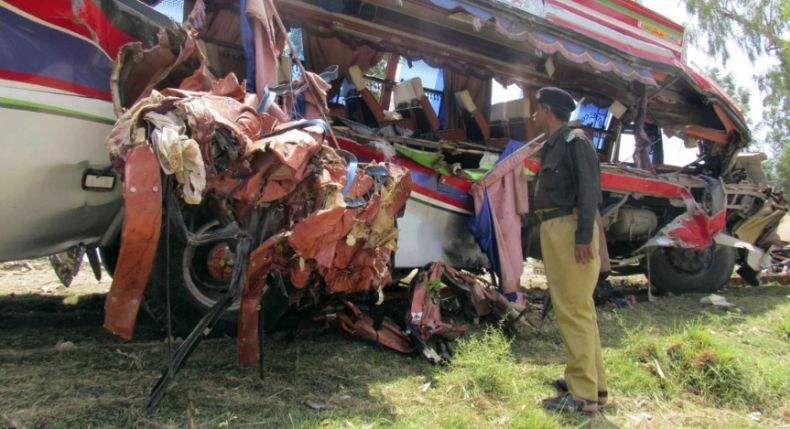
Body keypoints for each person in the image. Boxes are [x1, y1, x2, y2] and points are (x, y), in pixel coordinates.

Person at [531, 87, 607, 413]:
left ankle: (582, 395)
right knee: (580, 309)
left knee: (573, 310)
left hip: (569, 228)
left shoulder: (575, 143)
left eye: (538, 109)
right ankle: (594, 386)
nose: (534, 115)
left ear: (548, 111)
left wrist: (581, 236)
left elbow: (590, 191)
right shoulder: (554, 145)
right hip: (556, 228)